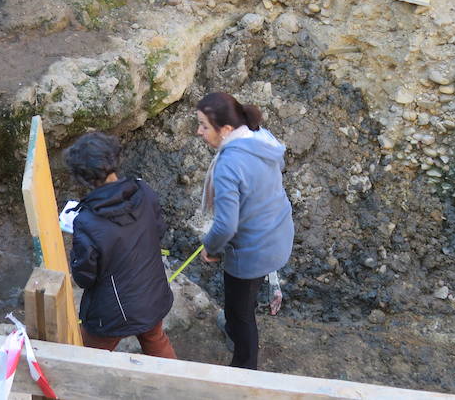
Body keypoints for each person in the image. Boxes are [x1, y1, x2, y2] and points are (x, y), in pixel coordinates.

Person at [195, 92, 294, 370]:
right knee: (244, 297)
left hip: (252, 251)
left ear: (225, 130)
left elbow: (226, 225)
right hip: (278, 231)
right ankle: (231, 323)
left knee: (241, 313)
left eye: (204, 125)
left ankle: (244, 368)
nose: (199, 131)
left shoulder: (228, 164)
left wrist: (210, 247)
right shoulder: (260, 137)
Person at [63, 131, 176, 359]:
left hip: (112, 311)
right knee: (155, 338)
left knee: (86, 357)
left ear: (82, 178)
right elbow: (158, 232)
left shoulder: (86, 221)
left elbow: (84, 277)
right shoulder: (144, 191)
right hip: (152, 295)